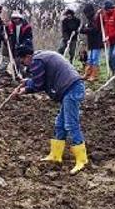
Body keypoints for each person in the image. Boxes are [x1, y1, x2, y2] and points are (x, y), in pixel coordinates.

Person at [14, 46, 89, 175]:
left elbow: (39, 84)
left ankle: (82, 160)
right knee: (60, 124)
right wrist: (27, 82)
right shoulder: (40, 56)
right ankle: (55, 155)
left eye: (22, 61)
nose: (23, 64)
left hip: (71, 88)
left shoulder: (36, 61)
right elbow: (40, 79)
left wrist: (25, 90)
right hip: (70, 87)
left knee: (71, 124)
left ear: (27, 57)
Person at [1, 11, 33, 77]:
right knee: (15, 62)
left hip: (23, 47)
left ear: (20, 18)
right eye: (13, 18)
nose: (15, 20)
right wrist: (4, 36)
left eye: (16, 18)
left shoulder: (27, 27)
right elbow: (4, 32)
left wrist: (23, 45)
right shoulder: (10, 26)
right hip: (14, 46)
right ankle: (15, 76)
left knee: (22, 63)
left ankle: (24, 77)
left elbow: (29, 38)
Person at [80, 3, 103, 82]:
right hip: (91, 42)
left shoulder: (96, 18)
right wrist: (82, 29)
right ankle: (88, 73)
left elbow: (95, 30)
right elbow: (87, 30)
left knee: (94, 59)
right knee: (90, 59)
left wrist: (85, 30)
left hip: (97, 42)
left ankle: (94, 75)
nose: (86, 15)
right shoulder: (89, 20)